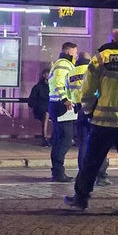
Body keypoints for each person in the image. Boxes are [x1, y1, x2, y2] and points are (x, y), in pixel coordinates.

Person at [64, 29, 118, 216]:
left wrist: (88, 112)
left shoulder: (101, 58)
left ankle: (81, 198)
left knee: (92, 161)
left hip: (104, 121)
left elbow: (87, 90)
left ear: (111, 40)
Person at [66, 52, 110, 186]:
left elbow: (68, 93)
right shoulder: (92, 70)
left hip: (80, 110)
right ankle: (101, 175)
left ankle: (83, 173)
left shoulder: (71, 72)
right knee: (100, 143)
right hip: (95, 109)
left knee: (83, 144)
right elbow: (98, 89)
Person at [47, 42, 78, 182]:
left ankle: (57, 172)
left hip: (57, 105)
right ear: (70, 52)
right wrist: (65, 99)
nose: (76, 55)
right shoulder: (63, 64)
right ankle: (58, 172)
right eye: (75, 52)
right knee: (65, 139)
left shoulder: (61, 63)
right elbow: (59, 83)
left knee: (60, 140)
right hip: (62, 107)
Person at [27, 68, 50, 146]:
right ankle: (45, 137)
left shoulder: (53, 86)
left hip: (50, 108)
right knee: (46, 114)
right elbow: (31, 100)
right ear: (44, 75)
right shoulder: (38, 87)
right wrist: (37, 105)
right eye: (48, 74)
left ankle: (54, 138)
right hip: (41, 109)